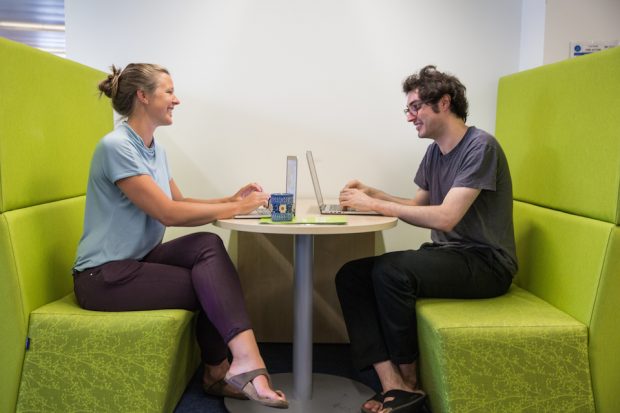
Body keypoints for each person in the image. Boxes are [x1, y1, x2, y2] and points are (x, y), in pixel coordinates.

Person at [72, 63, 288, 409]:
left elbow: (179, 201)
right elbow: (167, 213)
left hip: (138, 260)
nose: (177, 100)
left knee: (208, 245)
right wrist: (237, 208)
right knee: (211, 285)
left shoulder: (153, 148)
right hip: (103, 277)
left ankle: (224, 369)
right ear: (143, 96)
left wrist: (231, 200)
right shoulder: (116, 147)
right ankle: (233, 367)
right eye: (169, 91)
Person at [336, 65, 517, 413]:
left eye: (415, 107)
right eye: (409, 109)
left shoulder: (481, 146)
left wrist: (373, 204)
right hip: (451, 254)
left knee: (391, 272)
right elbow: (419, 204)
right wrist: (373, 193)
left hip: (487, 263)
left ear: (444, 103)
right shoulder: (435, 150)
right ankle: (393, 384)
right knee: (350, 275)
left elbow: (446, 216)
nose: (410, 117)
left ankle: (410, 382)